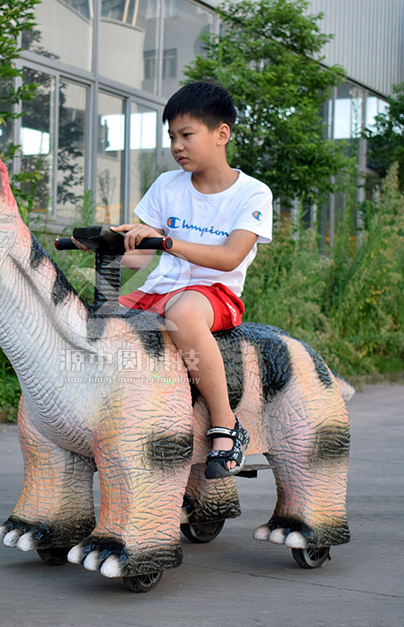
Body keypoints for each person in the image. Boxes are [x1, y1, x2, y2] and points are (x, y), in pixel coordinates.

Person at [113, 81, 273, 479]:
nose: (177, 145)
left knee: (183, 312)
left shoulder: (252, 194)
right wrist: (110, 245)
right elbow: (138, 257)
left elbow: (230, 257)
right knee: (102, 325)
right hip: (158, 291)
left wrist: (170, 242)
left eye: (187, 135)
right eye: (171, 137)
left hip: (214, 294)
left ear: (222, 134)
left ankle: (225, 425)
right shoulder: (167, 185)